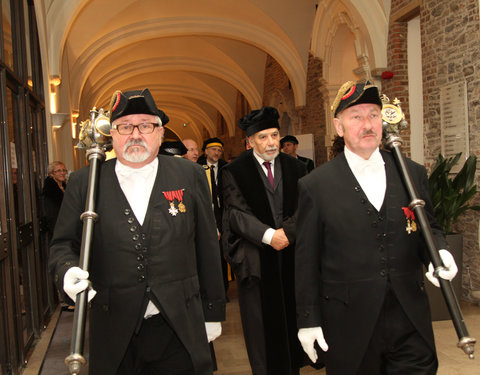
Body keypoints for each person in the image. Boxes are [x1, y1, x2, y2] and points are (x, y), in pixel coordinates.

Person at [49, 88, 226, 375]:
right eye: (125, 126)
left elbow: (206, 245)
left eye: (145, 125)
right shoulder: (86, 182)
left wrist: (214, 311)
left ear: (160, 132)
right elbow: (62, 246)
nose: (135, 134)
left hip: (180, 324)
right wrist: (67, 271)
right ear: (112, 134)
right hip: (114, 327)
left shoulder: (189, 175)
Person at [295, 79, 458, 375]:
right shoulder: (315, 186)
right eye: (356, 117)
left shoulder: (412, 173)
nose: (367, 124)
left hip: (409, 317)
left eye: (373, 115)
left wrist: (441, 251)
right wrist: (308, 319)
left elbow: (428, 227)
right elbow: (306, 260)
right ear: (339, 126)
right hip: (349, 321)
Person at [221, 106, 307, 374]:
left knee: (294, 324)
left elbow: (306, 207)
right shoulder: (234, 170)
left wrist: (287, 234)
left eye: (274, 135)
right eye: (263, 137)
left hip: (292, 256)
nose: (271, 143)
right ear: (250, 141)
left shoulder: (297, 167)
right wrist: (269, 236)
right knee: (261, 330)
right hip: (256, 260)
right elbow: (235, 213)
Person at [197, 137, 229, 296]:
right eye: (213, 150)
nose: (216, 153)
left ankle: (224, 289)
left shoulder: (226, 168)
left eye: (219, 150)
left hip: (223, 214)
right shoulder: (197, 168)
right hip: (206, 213)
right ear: (206, 151)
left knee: (224, 254)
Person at [43, 161, 68, 236]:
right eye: (58, 171)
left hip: (66, 224)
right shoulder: (49, 190)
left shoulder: (65, 186)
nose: (62, 173)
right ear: (51, 174)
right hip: (57, 226)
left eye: (64, 170)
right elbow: (51, 214)